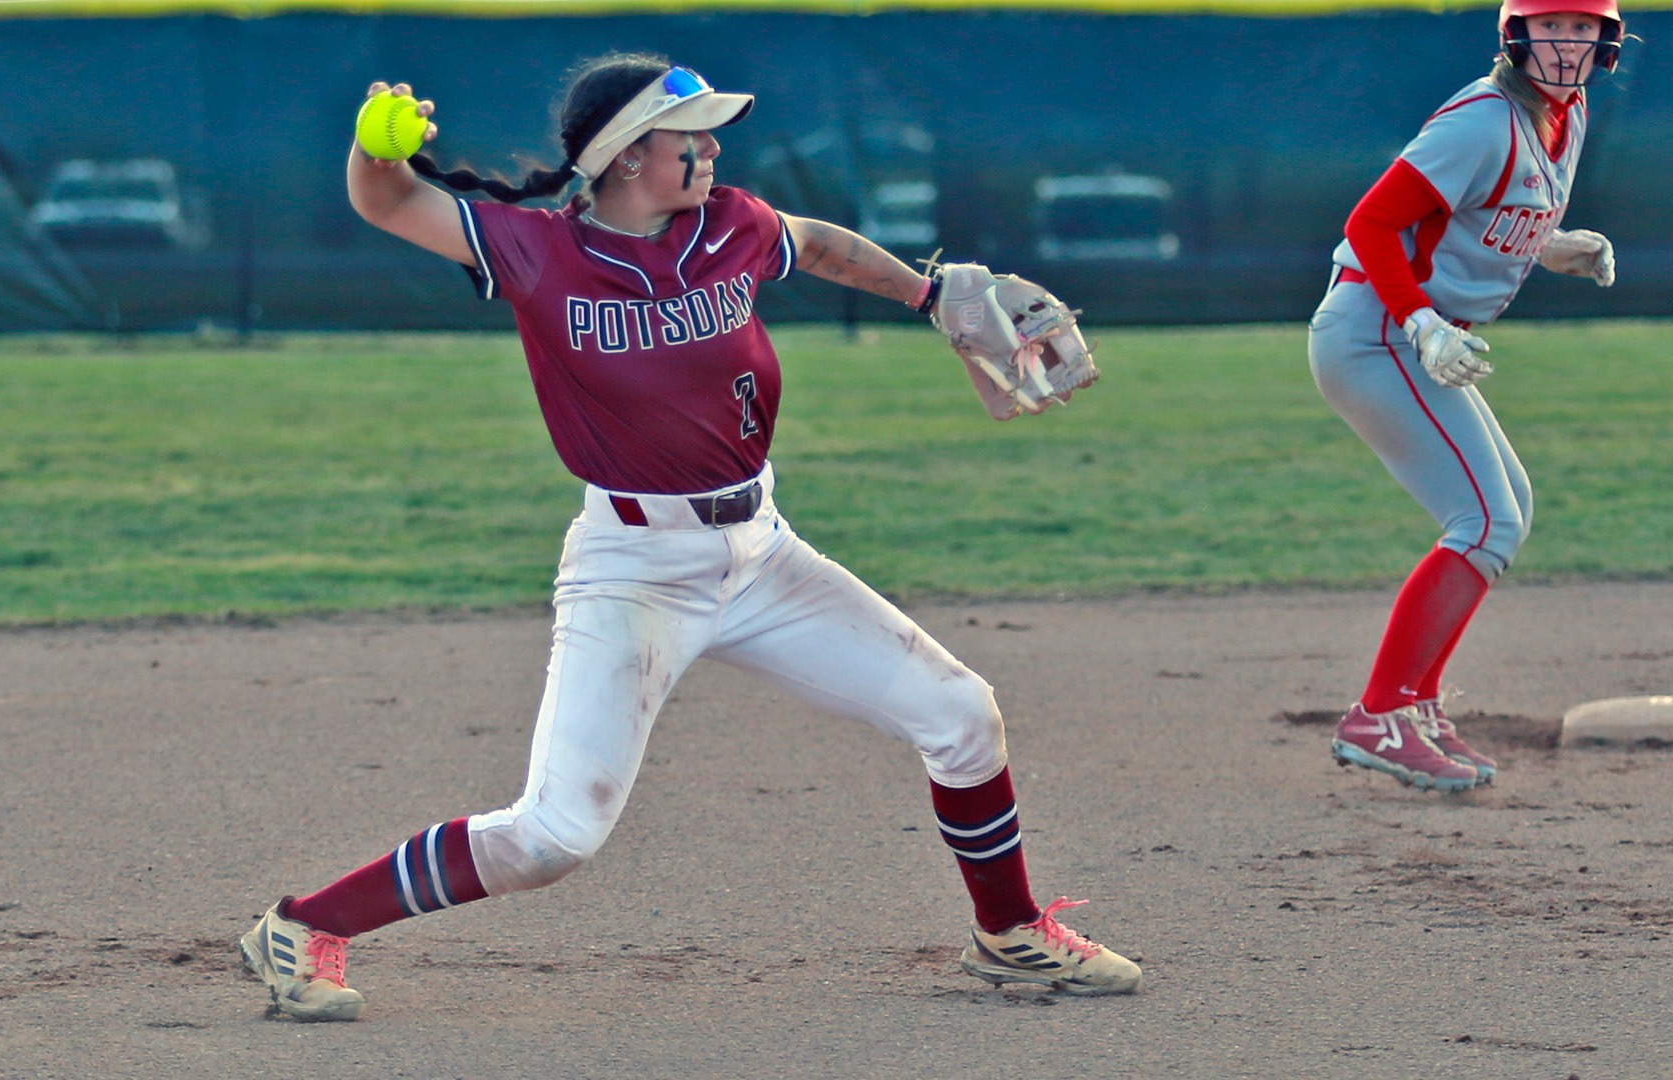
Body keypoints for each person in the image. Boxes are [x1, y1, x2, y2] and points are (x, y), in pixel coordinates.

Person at [237, 54, 1141, 1021]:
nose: (710, 148)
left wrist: (927, 298)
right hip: (634, 569)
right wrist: (377, 145)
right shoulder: (534, 250)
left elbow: (821, 245)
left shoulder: (733, 225)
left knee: (961, 715)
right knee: (553, 838)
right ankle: (304, 924)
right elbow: (387, 203)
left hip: (762, 553)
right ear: (626, 157)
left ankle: (1009, 934)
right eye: (688, 136)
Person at [1308, 0, 1625, 792]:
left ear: (1607, 42)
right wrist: (1421, 323)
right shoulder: (1483, 119)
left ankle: (1411, 708)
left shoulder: (1568, 114)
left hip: (1404, 332)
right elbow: (1373, 224)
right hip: (1378, 330)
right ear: (1516, 37)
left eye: (1584, 28)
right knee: (1485, 520)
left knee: (1506, 505)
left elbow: (1477, 212)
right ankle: (1377, 716)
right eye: (1554, 26)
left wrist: (1550, 247)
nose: (1567, 43)